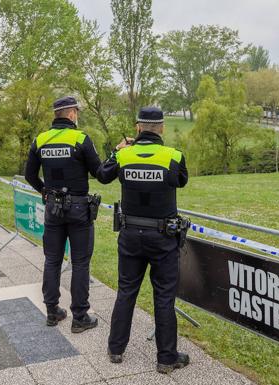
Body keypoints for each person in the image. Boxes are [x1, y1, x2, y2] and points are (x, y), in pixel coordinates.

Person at [96, 107, 190, 374]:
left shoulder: (124, 156)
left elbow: (103, 175)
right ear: (161, 128)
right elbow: (181, 181)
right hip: (163, 237)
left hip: (130, 235)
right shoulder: (173, 156)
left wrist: (117, 151)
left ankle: (115, 349)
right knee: (163, 296)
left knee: (126, 291)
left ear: (138, 128)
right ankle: (166, 358)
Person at [25, 96, 102, 333]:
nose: (77, 115)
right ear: (70, 114)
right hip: (79, 208)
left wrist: (45, 191)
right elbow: (99, 173)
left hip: (53, 208)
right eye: (76, 112)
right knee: (80, 262)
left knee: (52, 259)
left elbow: (29, 175)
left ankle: (52, 311)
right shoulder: (81, 139)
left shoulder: (40, 140)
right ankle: (80, 316)